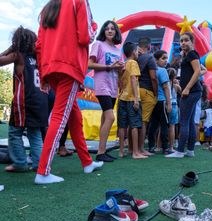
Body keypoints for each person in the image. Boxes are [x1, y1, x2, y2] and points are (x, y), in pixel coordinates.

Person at [35, 0, 103, 184]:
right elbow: (85, 36)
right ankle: (43, 171)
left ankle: (87, 162)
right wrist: (94, 26)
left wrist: (43, 75)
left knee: (74, 114)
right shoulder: (78, 1)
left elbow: (39, 44)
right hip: (69, 66)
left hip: (51, 67)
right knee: (60, 116)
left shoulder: (47, 7)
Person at [0, 26, 48, 172]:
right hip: (41, 101)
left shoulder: (18, 55)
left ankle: (20, 163)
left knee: (15, 132)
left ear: (17, 42)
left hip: (24, 101)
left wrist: (9, 49)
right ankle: (39, 164)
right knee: (35, 133)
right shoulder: (40, 58)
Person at [88, 20, 123, 162]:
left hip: (113, 86)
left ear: (116, 32)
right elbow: (89, 64)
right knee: (110, 117)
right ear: (103, 31)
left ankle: (101, 151)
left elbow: (118, 69)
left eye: (112, 29)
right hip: (102, 85)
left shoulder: (117, 50)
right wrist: (110, 67)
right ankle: (100, 151)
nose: (110, 31)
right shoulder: (98, 45)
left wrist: (121, 68)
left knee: (105, 118)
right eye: (107, 28)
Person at [166, 32, 202, 158]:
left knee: (184, 122)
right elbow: (197, 70)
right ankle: (190, 150)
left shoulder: (192, 54)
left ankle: (180, 151)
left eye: (186, 40)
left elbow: (198, 71)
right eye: (181, 41)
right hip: (194, 91)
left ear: (192, 42)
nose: (183, 43)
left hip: (191, 92)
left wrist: (186, 88)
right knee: (190, 122)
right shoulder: (188, 55)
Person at [117, 42, 147, 159]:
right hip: (131, 98)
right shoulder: (134, 63)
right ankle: (135, 152)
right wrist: (135, 98)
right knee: (134, 125)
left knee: (122, 126)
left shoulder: (123, 64)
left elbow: (120, 82)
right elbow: (134, 79)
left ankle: (121, 151)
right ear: (134, 52)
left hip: (122, 98)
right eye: (137, 51)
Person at [148, 50, 172, 155]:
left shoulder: (151, 71)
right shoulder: (162, 71)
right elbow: (166, 87)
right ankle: (165, 148)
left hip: (152, 101)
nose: (166, 61)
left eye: (166, 58)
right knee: (164, 125)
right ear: (156, 60)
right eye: (163, 58)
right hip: (162, 101)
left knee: (152, 125)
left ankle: (151, 147)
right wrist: (169, 103)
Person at [137, 37, 158, 155]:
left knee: (134, 121)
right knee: (144, 121)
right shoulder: (150, 57)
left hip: (135, 90)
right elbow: (153, 78)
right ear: (149, 47)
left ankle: (133, 147)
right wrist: (155, 93)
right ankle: (141, 149)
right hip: (146, 90)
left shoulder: (135, 57)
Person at [167, 68, 181, 152]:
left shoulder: (164, 84)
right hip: (174, 105)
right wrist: (178, 83)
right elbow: (182, 93)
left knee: (162, 126)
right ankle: (171, 147)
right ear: (174, 76)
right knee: (172, 126)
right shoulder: (176, 86)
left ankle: (159, 145)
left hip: (165, 104)